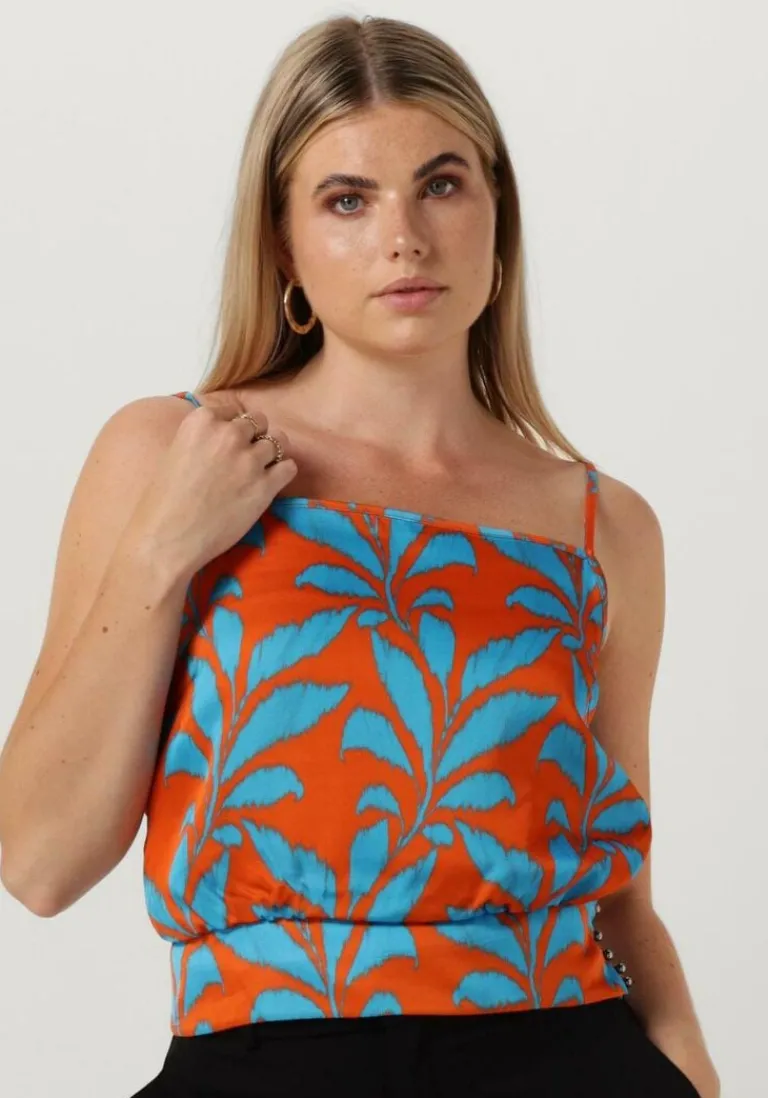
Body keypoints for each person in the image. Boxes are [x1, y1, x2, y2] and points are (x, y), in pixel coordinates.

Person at [0, 14, 718, 1098]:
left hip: (570, 1052)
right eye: (348, 199)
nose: (405, 238)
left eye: (442, 185)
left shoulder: (602, 524)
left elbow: (620, 893)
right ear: (284, 243)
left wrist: (691, 1067)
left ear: (497, 215)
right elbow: (40, 864)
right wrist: (162, 552)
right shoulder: (173, 453)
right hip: (263, 1063)